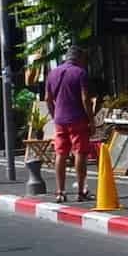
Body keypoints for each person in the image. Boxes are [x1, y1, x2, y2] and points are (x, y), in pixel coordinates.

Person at [44, 44, 95, 204]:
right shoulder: (80, 73)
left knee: (61, 153)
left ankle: (60, 192)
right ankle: (80, 191)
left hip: (60, 120)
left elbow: (47, 98)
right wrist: (91, 119)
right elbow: (85, 98)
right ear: (79, 58)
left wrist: (54, 115)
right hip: (78, 119)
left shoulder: (52, 73)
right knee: (80, 153)